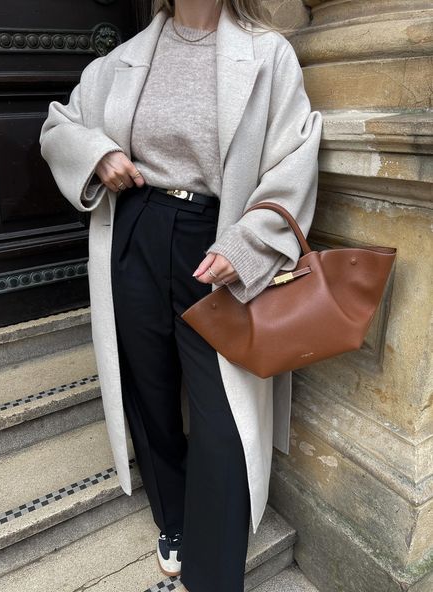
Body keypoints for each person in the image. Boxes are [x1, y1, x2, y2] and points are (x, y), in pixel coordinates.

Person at [39, 1, 323, 591]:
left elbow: (296, 157)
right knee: (149, 388)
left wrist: (249, 246)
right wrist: (99, 153)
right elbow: (58, 125)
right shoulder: (122, 60)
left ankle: (214, 574)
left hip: (216, 240)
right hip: (136, 231)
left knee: (222, 408)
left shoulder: (267, 53)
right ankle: (172, 518)